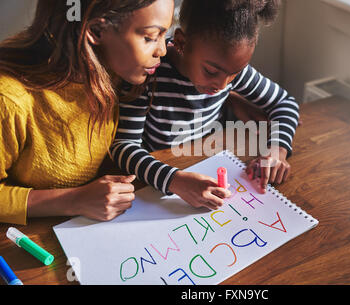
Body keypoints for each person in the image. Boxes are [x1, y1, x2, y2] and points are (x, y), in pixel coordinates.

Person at [111, 0, 300, 210]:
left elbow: (284, 103)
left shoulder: (229, 71)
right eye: (211, 72)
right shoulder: (148, 73)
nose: (222, 85)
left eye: (234, 74)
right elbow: (124, 146)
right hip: (160, 177)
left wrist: (277, 151)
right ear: (182, 42)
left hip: (207, 160)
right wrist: (175, 180)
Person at [0, 0, 174, 224]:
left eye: (165, 33)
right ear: (95, 30)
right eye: (150, 37)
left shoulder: (114, 66)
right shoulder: (10, 99)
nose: (162, 50)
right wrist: (74, 200)